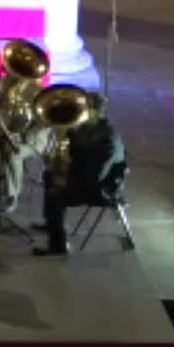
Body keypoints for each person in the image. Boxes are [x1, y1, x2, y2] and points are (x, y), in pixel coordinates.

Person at [34, 93, 125, 256]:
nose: (78, 115)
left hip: (100, 188)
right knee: (49, 175)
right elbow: (78, 153)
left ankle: (58, 245)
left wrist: (67, 180)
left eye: (83, 110)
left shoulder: (108, 137)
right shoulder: (86, 128)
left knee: (56, 194)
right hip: (87, 177)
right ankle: (51, 223)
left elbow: (95, 176)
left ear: (95, 112)